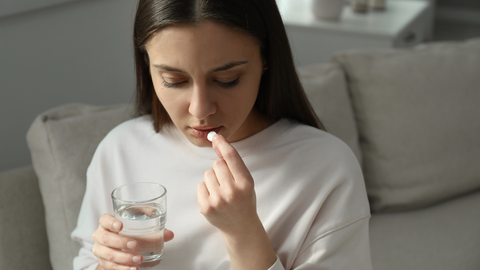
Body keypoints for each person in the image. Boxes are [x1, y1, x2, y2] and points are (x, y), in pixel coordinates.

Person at [71, 0, 372, 269]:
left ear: (265, 60)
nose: (201, 109)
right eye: (173, 80)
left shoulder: (327, 168)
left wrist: (244, 233)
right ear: (147, 66)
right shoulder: (120, 150)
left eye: (227, 80)